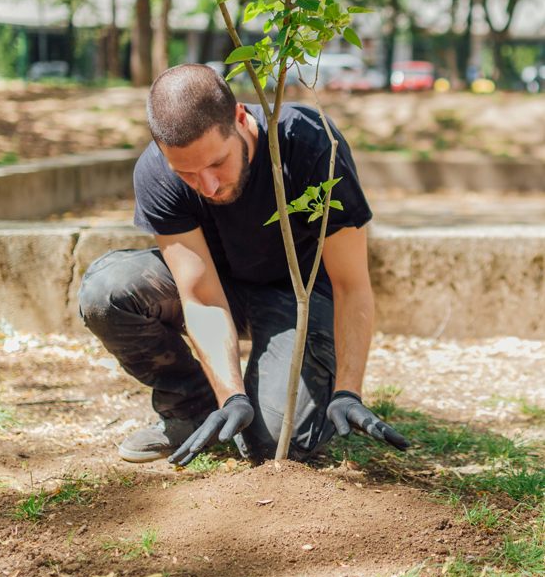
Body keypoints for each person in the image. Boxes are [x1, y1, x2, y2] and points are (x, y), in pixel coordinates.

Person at [78, 64, 409, 465]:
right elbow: (200, 296)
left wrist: (347, 391)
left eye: (218, 163)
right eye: (187, 173)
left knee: (269, 447)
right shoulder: (157, 172)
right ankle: (192, 410)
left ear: (240, 117)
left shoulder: (311, 145)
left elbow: (351, 285)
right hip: (223, 289)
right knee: (106, 291)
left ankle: (290, 401)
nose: (208, 186)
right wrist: (231, 396)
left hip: (301, 301)